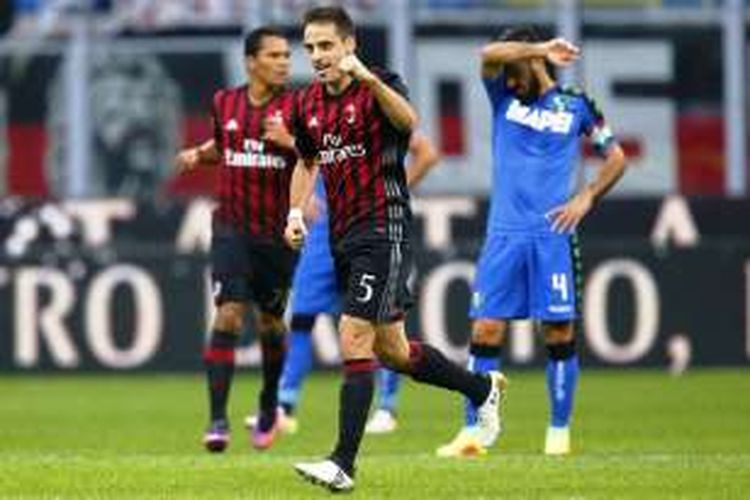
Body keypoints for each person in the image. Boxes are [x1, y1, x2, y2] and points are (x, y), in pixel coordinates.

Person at [284, 6, 506, 492]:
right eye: (310, 48)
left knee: (353, 336)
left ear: (349, 44)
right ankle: (481, 387)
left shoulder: (379, 85)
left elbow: (409, 121)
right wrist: (295, 213)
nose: (317, 56)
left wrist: (367, 78)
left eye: (326, 45)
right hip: (342, 235)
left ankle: (343, 463)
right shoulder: (305, 104)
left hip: (384, 228)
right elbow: (305, 160)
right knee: (394, 352)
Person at [436, 25, 627, 458]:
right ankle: (474, 432)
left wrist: (587, 195)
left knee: (558, 331)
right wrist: (540, 48)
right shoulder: (502, 96)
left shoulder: (577, 105)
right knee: (485, 329)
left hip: (553, 235)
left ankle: (558, 435)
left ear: (533, 63)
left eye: (513, 69)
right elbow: (488, 52)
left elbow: (616, 156)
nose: (507, 77)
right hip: (503, 234)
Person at [245, 131, 440, 436]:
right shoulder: (319, 113)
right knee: (300, 317)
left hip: (372, 230)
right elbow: (310, 160)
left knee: (379, 325)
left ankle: (387, 407)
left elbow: (426, 152)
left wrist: (396, 192)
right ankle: (285, 406)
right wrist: (300, 200)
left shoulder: (378, 109)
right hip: (324, 236)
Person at [174, 26, 300, 453]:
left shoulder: (297, 108)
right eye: (275, 55)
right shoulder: (224, 102)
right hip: (231, 228)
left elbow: (321, 156)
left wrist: (293, 142)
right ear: (251, 62)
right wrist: (197, 154)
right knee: (228, 314)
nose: (284, 61)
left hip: (278, 235)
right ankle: (217, 420)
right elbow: (226, 143)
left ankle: (268, 405)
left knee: (269, 322)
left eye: (286, 55)